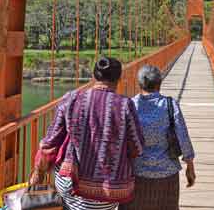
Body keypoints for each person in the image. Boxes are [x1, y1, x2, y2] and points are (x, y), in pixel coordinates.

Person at [31, 57, 144, 210]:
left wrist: (38, 171)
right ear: (119, 79)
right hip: (110, 189)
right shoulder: (125, 104)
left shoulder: (71, 98)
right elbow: (137, 147)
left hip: (71, 183)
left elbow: (50, 142)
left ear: (93, 76)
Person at [119, 65, 196, 210]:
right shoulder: (170, 104)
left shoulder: (129, 105)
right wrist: (190, 166)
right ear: (159, 84)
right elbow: (183, 136)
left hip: (136, 174)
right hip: (166, 174)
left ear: (139, 84)